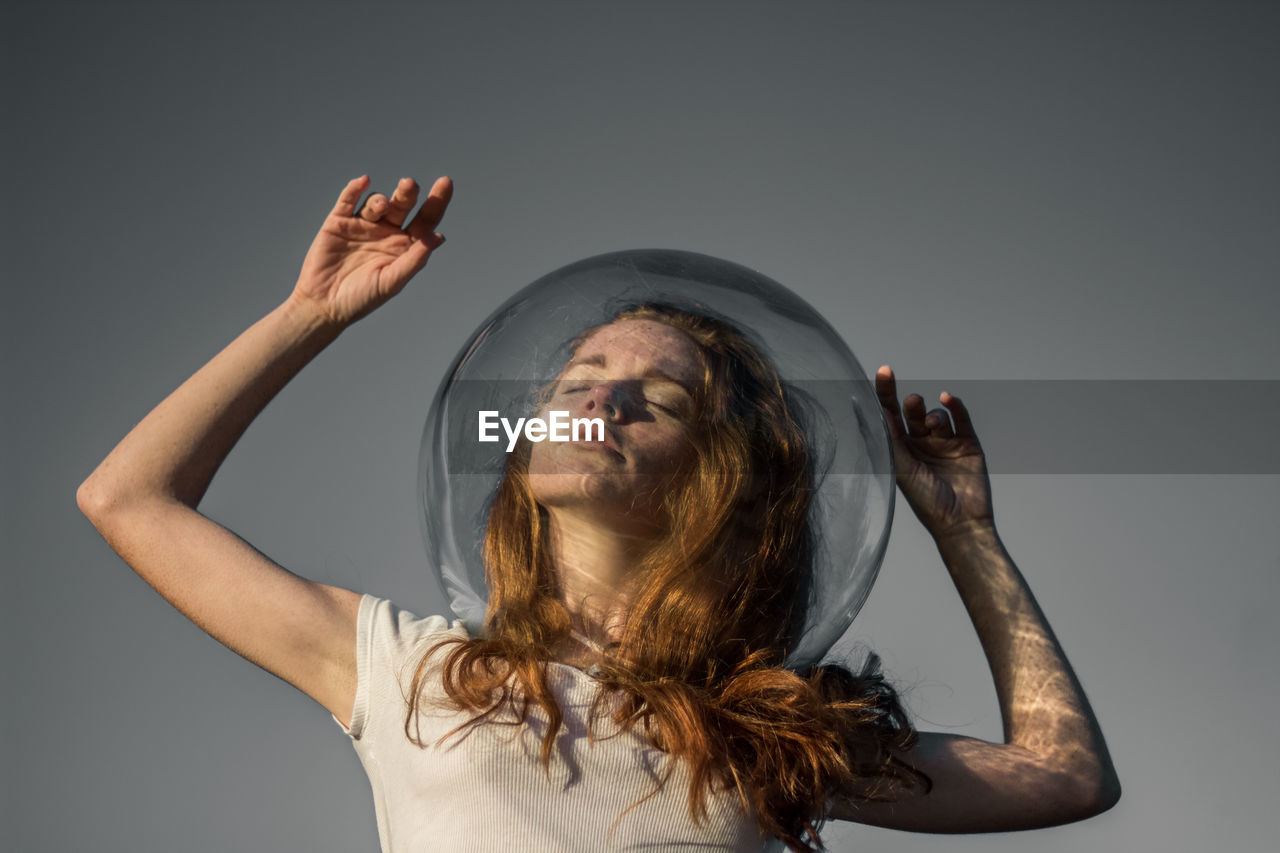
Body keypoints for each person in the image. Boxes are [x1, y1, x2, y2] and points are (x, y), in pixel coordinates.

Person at [77, 174, 1120, 851]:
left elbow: (1062, 775)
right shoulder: (403, 668)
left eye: (654, 399)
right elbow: (127, 498)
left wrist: (966, 535)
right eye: (577, 378)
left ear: (716, 480)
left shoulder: (769, 736)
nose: (596, 402)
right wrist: (308, 316)